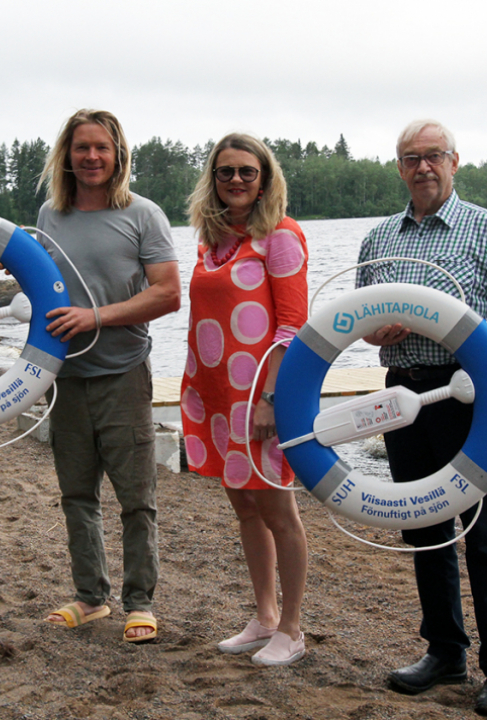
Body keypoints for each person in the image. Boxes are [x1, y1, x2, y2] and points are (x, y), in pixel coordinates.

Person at [355, 119, 487, 716]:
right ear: (400, 168)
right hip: (404, 394)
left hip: (469, 395)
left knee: (486, 537)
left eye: (434, 156)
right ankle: (444, 651)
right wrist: (375, 332)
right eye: (412, 158)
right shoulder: (378, 238)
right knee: (424, 526)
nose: (423, 167)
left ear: (455, 162)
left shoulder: (486, 229)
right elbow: (359, 328)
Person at [35, 110, 180, 643]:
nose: (91, 157)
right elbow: (43, 288)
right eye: (81, 148)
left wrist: (95, 317)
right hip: (65, 377)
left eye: (101, 147)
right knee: (77, 494)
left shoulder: (143, 215)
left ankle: (140, 602)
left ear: (118, 154)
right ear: (66, 155)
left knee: (135, 496)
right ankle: (91, 598)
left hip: (123, 373)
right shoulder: (49, 216)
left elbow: (168, 293)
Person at [181, 134, 310, 666]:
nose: (236, 181)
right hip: (217, 393)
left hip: (260, 393)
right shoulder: (212, 239)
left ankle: (294, 628)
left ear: (265, 179)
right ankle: (265, 616)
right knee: (244, 506)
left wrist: (271, 400)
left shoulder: (280, 235)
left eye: (247, 172)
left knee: (278, 507)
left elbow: (291, 327)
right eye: (226, 172)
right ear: (213, 179)